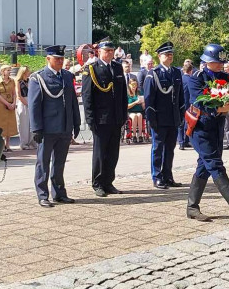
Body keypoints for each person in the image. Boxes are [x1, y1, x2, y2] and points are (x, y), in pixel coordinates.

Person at [182, 44, 229, 222]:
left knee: (204, 166)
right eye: (217, 62)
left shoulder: (226, 77)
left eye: (222, 62)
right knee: (215, 164)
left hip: (217, 127)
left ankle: (192, 207)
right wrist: (225, 107)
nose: (221, 65)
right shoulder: (196, 78)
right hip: (200, 128)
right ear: (207, 61)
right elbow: (202, 103)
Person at [28, 45, 80, 208]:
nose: (59, 61)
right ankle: (43, 195)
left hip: (64, 127)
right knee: (43, 162)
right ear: (48, 59)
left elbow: (72, 102)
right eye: (56, 58)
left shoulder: (66, 76)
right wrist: (36, 128)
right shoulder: (38, 78)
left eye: (61, 58)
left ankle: (59, 193)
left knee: (59, 162)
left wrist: (76, 122)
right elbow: (34, 105)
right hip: (47, 128)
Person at [81, 39, 128, 197]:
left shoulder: (117, 67)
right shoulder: (92, 69)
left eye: (111, 50)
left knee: (113, 152)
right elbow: (87, 96)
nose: (109, 53)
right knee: (100, 153)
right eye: (106, 50)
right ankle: (98, 183)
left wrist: (123, 114)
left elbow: (122, 94)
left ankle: (109, 182)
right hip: (101, 118)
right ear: (99, 52)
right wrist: (90, 119)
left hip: (116, 117)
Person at [144, 41, 187, 188]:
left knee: (170, 148)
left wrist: (181, 114)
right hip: (159, 118)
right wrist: (151, 119)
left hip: (173, 117)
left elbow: (181, 96)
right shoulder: (153, 74)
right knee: (158, 148)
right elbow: (149, 99)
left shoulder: (176, 72)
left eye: (171, 54)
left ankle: (168, 175)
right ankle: (157, 176)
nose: (169, 57)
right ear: (159, 56)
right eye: (166, 54)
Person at [0, 65, 18, 151]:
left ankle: (8, 145)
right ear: (2, 71)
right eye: (8, 70)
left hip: (11, 103)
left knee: (9, 123)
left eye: (10, 70)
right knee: (1, 123)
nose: (9, 72)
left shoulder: (12, 81)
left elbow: (14, 93)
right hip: (1, 104)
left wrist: (14, 103)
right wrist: (7, 103)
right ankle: (1, 145)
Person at [15, 65, 36, 151]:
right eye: (27, 71)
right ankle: (24, 143)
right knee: (23, 124)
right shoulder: (18, 81)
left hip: (30, 101)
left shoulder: (30, 80)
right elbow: (18, 95)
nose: (29, 72)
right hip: (23, 102)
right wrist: (27, 103)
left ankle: (32, 142)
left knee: (31, 123)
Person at [177, 59, 195, 150]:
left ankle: (181, 142)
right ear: (191, 71)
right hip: (188, 104)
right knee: (188, 123)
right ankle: (186, 140)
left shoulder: (180, 79)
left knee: (181, 123)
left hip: (180, 103)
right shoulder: (191, 80)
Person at [126, 77, 145, 142]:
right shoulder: (127, 94)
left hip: (139, 111)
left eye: (135, 85)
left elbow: (143, 107)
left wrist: (143, 102)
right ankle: (133, 135)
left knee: (139, 115)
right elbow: (127, 106)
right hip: (130, 111)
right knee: (134, 116)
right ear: (129, 85)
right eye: (133, 84)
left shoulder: (139, 92)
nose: (134, 86)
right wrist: (135, 102)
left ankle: (140, 135)